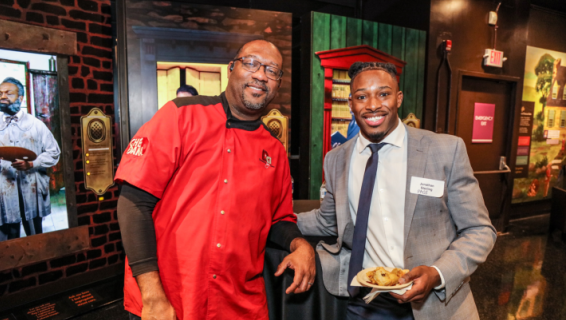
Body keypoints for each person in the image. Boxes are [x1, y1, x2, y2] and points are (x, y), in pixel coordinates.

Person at [115, 40, 316, 320]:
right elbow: (133, 204)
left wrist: (300, 244)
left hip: (238, 305)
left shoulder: (275, 151)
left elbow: (277, 220)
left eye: (272, 70)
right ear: (231, 68)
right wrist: (152, 296)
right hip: (170, 302)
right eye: (251, 63)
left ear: (278, 84)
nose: (260, 75)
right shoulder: (180, 116)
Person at [296, 62, 496, 320]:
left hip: (436, 305)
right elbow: (327, 222)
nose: (372, 105)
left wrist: (437, 273)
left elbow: (479, 230)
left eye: (383, 93)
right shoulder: (336, 160)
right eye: (361, 96)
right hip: (367, 304)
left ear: (398, 98)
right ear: (351, 104)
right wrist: (273, 217)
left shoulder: (445, 150)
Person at [0, 77, 60, 241]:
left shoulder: (36, 124)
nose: (2, 97)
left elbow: (54, 152)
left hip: (32, 188)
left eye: (9, 93)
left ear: (20, 98)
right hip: (4, 189)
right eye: (0, 93)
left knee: (35, 236)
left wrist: (32, 164)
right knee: (7, 240)